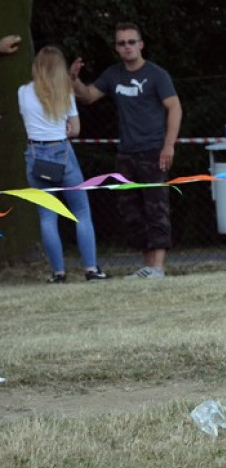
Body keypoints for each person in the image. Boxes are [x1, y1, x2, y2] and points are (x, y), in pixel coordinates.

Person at [71, 22, 181, 278]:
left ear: (141, 44)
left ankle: (158, 268)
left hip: (153, 151)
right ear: (117, 48)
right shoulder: (112, 75)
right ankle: (147, 266)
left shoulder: (157, 75)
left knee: (156, 208)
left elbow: (174, 107)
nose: (127, 47)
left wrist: (168, 145)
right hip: (126, 154)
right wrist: (74, 79)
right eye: (122, 43)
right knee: (131, 210)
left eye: (131, 42)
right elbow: (88, 96)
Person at [19, 46, 109, 282]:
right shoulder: (65, 91)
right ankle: (91, 269)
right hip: (63, 153)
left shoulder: (23, 92)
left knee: (47, 217)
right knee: (81, 213)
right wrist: (66, 128)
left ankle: (58, 273)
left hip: (36, 155)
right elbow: (76, 130)